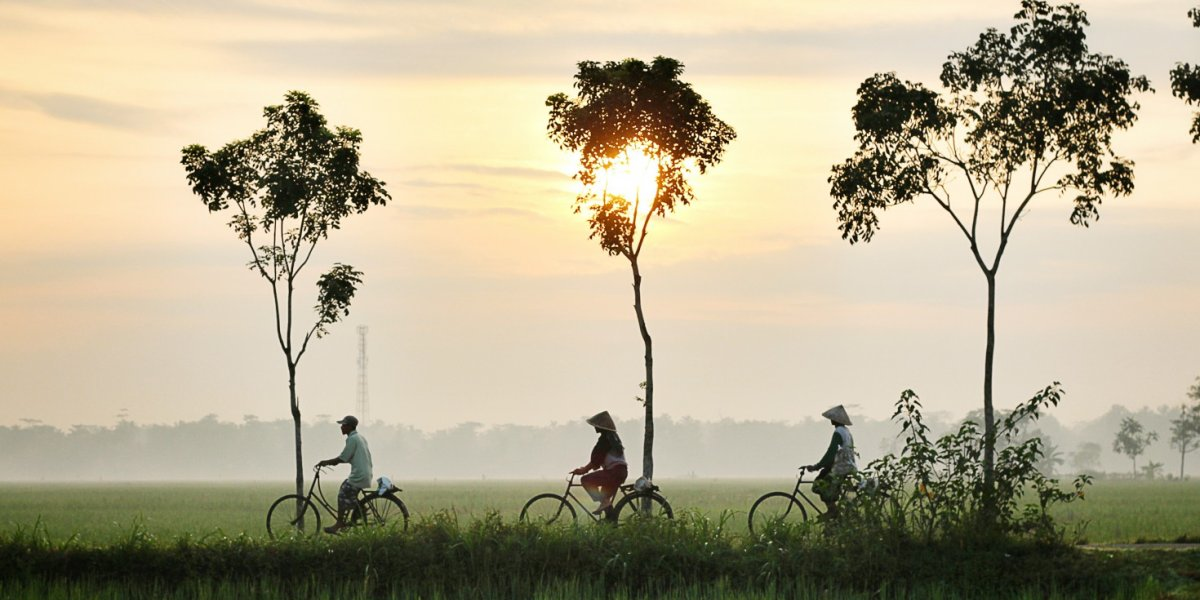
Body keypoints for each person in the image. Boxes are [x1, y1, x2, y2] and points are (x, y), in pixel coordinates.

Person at [315, 415, 373, 534]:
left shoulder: (352, 439)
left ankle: (340, 522)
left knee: (342, 493)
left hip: (359, 475)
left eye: (344, 425)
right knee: (347, 491)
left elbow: (343, 458)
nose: (341, 427)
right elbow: (347, 457)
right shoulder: (360, 437)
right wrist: (330, 462)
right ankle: (360, 508)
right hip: (365, 473)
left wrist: (325, 462)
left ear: (350, 427)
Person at [571, 411, 628, 520]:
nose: (595, 428)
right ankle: (611, 523)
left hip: (614, 472)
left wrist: (583, 470)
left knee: (586, 480)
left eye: (596, 425)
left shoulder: (605, 439)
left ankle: (605, 503)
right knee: (605, 500)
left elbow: (596, 460)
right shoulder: (613, 438)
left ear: (601, 427)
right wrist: (585, 468)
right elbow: (597, 460)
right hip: (620, 472)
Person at [805, 404, 856, 518]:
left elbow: (831, 452)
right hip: (848, 465)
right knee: (824, 476)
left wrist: (817, 466)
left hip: (841, 467)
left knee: (819, 484)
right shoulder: (846, 431)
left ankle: (832, 510)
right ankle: (835, 515)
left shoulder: (838, 432)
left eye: (832, 418)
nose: (831, 420)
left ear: (836, 420)